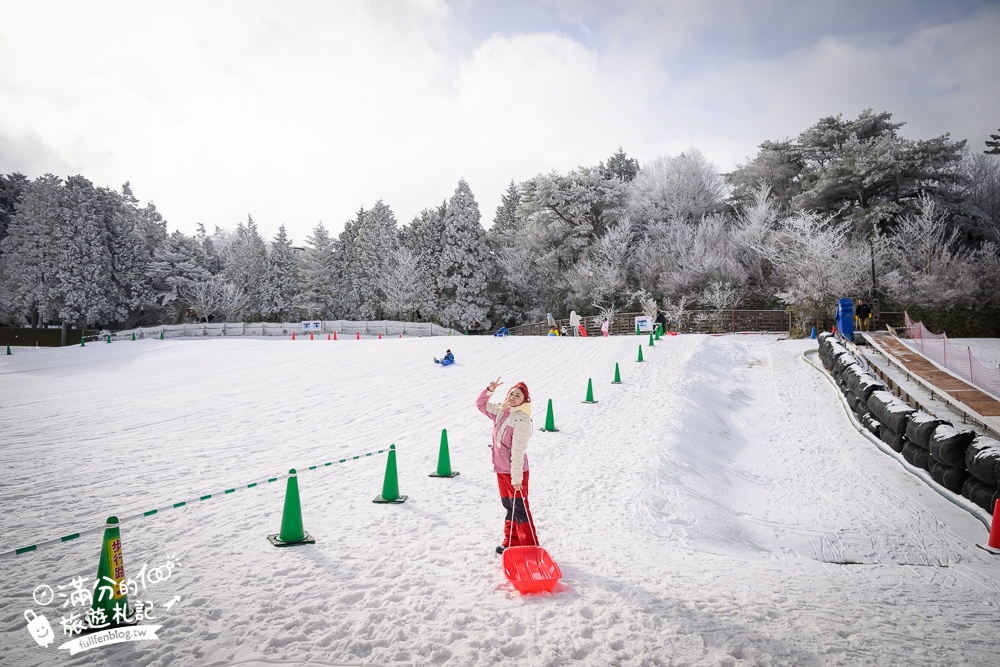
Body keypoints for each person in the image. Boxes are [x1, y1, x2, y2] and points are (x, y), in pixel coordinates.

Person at [476, 377, 537, 554]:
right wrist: (490, 390)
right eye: (511, 394)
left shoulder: (522, 420)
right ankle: (511, 541)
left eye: (517, 395)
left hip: (515, 472)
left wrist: (517, 478)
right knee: (509, 507)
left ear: (524, 400)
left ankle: (530, 547)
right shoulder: (501, 411)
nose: (512, 397)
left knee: (520, 509)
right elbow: (480, 404)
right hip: (501, 470)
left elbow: (518, 452)